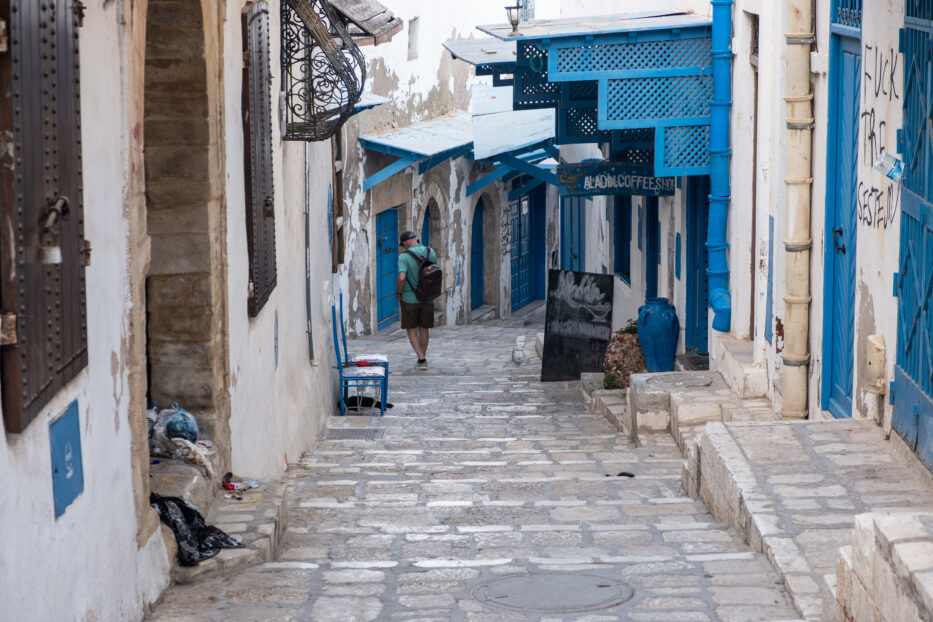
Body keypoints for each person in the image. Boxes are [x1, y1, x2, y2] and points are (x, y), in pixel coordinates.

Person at [396, 230, 437, 370]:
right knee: (424, 329)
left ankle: (421, 358)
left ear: (406, 242)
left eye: (403, 245)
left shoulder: (404, 257)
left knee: (411, 329)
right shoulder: (430, 252)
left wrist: (398, 292)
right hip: (428, 297)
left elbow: (401, 277)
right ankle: (422, 359)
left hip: (410, 298)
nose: (404, 247)